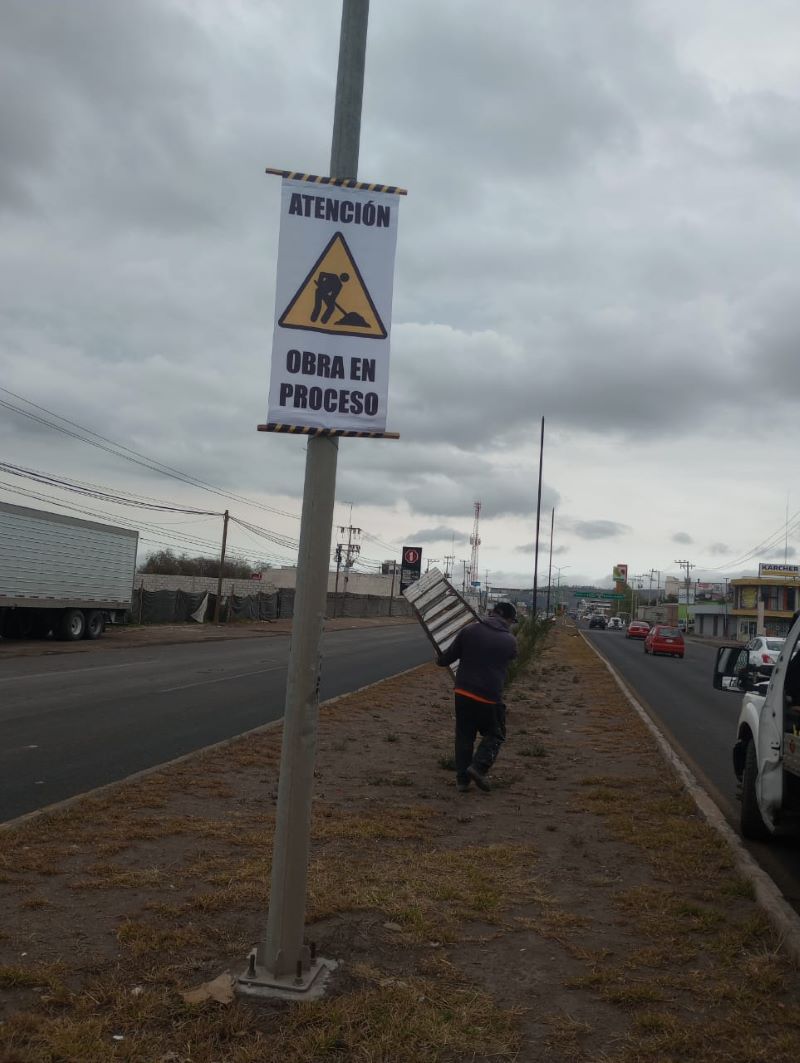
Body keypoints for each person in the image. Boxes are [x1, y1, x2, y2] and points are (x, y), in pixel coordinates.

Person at [436, 602, 518, 793]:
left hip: (463, 692)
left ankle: (462, 781)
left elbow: (446, 659)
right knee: (496, 733)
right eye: (512, 621)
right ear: (507, 619)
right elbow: (513, 657)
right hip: (489, 696)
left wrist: (439, 659)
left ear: (492, 613)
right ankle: (479, 767)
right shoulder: (509, 640)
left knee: (464, 736)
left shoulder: (469, 630)